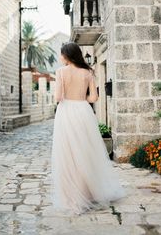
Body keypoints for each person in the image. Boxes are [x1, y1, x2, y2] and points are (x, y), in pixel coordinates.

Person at [51, 42, 125, 215]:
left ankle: (71, 196)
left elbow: (58, 97)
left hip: (66, 112)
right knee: (85, 151)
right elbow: (93, 98)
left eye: (62, 54)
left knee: (68, 154)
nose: (61, 57)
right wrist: (80, 95)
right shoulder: (88, 72)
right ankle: (88, 193)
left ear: (67, 55)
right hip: (83, 111)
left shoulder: (61, 72)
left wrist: (68, 94)